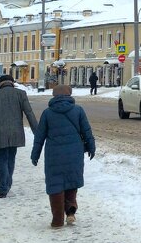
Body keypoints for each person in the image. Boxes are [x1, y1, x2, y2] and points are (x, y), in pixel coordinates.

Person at [31, 84, 95, 228]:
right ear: (69, 95)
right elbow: (87, 131)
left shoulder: (47, 113)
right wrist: (91, 147)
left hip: (54, 155)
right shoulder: (78, 110)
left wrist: (35, 154)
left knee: (55, 185)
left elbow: (39, 136)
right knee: (72, 182)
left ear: (54, 96)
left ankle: (57, 220)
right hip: (74, 153)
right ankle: (71, 212)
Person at [0, 73, 37, 198]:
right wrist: (37, 132)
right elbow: (29, 113)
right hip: (15, 133)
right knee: (11, 159)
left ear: (0, 84)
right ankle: (7, 184)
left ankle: (3, 188)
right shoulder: (20, 94)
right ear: (12, 83)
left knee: (1, 160)